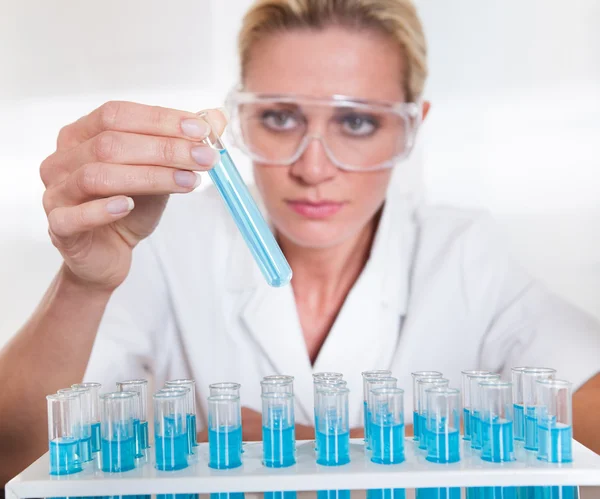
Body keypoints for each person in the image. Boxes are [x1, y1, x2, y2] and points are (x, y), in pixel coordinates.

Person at [1, 0, 599, 486]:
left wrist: (303, 446)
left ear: (412, 127)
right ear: (237, 119)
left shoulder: (464, 253)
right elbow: (12, 454)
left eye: (357, 122)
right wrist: (84, 285)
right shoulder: (162, 240)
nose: (314, 167)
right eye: (281, 117)